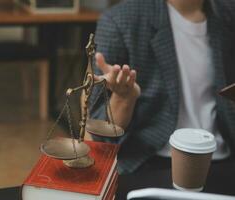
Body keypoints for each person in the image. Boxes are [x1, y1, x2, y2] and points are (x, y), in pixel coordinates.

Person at [90, 0, 235, 177]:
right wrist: (123, 98)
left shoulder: (227, 13)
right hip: (149, 161)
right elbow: (99, 134)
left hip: (223, 157)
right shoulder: (121, 20)